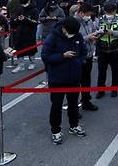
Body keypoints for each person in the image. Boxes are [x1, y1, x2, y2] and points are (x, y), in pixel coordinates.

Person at [42, 17, 88, 145]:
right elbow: (45, 56)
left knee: (74, 103)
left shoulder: (77, 36)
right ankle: (55, 130)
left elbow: (84, 51)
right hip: (57, 78)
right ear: (64, 28)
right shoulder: (53, 38)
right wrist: (62, 56)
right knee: (56, 105)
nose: (72, 35)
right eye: (70, 33)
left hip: (74, 76)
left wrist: (80, 61)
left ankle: (74, 125)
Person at [95, 3, 118, 99]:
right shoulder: (99, 19)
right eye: (107, 12)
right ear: (104, 11)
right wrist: (99, 33)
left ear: (114, 11)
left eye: (111, 12)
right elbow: (95, 30)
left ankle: (114, 89)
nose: (109, 14)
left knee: (115, 70)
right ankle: (100, 90)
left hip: (115, 48)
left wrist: (112, 33)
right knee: (101, 71)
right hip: (102, 49)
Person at [73, 3, 99, 111]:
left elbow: (91, 32)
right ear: (81, 13)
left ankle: (86, 100)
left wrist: (94, 36)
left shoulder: (88, 21)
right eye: (88, 15)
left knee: (86, 79)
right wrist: (88, 37)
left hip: (88, 54)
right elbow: (73, 39)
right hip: (77, 56)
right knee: (75, 82)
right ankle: (73, 106)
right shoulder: (73, 23)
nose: (89, 17)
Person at [11, 0, 40, 73]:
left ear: (29, 1)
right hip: (20, 31)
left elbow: (35, 22)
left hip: (30, 31)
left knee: (31, 47)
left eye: (25, 3)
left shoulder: (35, 10)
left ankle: (32, 62)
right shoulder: (20, 9)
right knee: (19, 48)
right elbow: (14, 19)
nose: (24, 5)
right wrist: (17, 19)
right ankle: (20, 65)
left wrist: (26, 19)